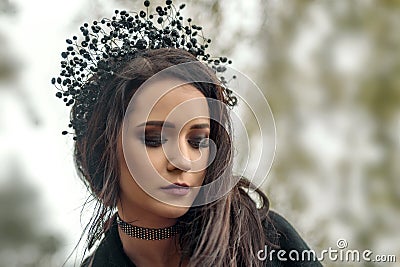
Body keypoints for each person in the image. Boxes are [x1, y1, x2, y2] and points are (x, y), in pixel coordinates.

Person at [52, 1, 323, 266]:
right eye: (154, 140)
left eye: (197, 141)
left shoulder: (268, 241)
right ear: (103, 149)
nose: (182, 161)